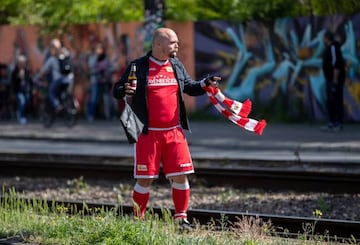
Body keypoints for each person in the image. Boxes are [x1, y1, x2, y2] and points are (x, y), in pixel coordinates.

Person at [112, 27, 220, 228]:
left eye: (177, 42)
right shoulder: (138, 66)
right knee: (145, 179)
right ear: (158, 44)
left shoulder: (176, 65)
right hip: (147, 134)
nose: (177, 45)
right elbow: (117, 89)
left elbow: (189, 86)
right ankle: (138, 221)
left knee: (181, 175)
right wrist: (123, 89)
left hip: (174, 132)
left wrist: (205, 84)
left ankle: (181, 219)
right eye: (173, 42)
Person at [35, 39, 74, 113]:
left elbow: (44, 71)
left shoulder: (52, 59)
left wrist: (38, 77)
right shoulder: (66, 55)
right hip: (69, 79)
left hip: (58, 80)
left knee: (51, 92)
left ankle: (57, 106)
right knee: (64, 93)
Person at [321, 30, 346, 132]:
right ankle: (331, 122)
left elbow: (337, 64)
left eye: (324, 38)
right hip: (330, 80)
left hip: (334, 80)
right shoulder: (329, 48)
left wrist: (335, 80)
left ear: (327, 38)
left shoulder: (333, 48)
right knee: (330, 101)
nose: (323, 40)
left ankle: (338, 123)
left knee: (336, 101)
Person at [86, 42, 113, 121]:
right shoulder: (93, 58)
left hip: (104, 80)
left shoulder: (105, 57)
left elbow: (109, 66)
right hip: (95, 80)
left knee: (107, 98)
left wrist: (107, 72)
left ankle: (109, 115)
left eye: (100, 49)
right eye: (97, 49)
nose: (99, 50)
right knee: (94, 97)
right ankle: (91, 115)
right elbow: (91, 67)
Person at [11, 55, 33, 124]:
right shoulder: (14, 72)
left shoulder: (26, 71)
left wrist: (32, 88)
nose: (22, 64)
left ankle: (20, 113)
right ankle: (21, 117)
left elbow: (30, 80)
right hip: (18, 91)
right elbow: (13, 83)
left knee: (26, 102)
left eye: (23, 63)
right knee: (22, 101)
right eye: (20, 63)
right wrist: (19, 76)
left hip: (26, 90)